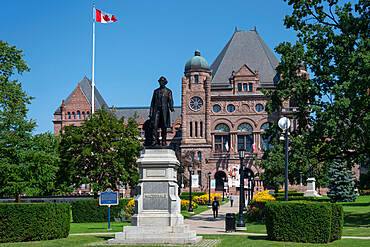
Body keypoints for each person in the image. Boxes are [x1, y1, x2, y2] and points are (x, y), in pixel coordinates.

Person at [149, 76, 174, 146]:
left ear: (165, 82)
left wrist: (171, 107)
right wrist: (151, 113)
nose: (161, 82)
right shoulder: (156, 91)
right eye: (160, 81)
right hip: (156, 111)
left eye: (162, 81)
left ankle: (163, 141)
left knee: (164, 126)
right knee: (154, 126)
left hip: (164, 111)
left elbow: (170, 100)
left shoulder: (168, 91)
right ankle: (154, 140)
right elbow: (152, 103)